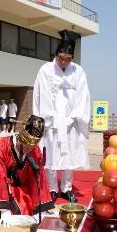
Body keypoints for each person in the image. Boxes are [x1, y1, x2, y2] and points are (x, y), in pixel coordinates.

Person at [33, 29, 91, 203]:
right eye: (60, 58)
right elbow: (39, 94)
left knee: (68, 155)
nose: (63, 62)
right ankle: (52, 188)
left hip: (71, 121)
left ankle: (66, 188)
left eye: (67, 59)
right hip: (51, 122)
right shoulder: (46, 70)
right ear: (56, 55)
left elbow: (83, 95)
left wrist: (73, 117)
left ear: (72, 58)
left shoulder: (78, 71)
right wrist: (46, 118)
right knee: (50, 155)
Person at [0, 115, 54, 226]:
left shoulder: (34, 151)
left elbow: (37, 178)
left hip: (18, 184)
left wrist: (40, 208)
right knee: (7, 212)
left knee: (31, 209)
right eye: (28, 146)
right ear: (21, 139)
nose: (30, 149)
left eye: (33, 146)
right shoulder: (1, 147)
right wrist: (4, 210)